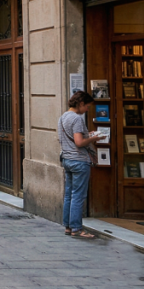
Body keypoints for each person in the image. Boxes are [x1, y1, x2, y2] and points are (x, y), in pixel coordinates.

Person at [61, 91, 100, 238]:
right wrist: (93, 138)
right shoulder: (77, 119)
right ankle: (76, 229)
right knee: (78, 195)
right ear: (81, 104)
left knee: (69, 195)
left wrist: (86, 135)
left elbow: (70, 138)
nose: (88, 110)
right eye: (88, 106)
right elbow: (79, 142)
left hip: (67, 159)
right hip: (79, 160)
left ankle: (68, 227)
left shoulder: (63, 117)